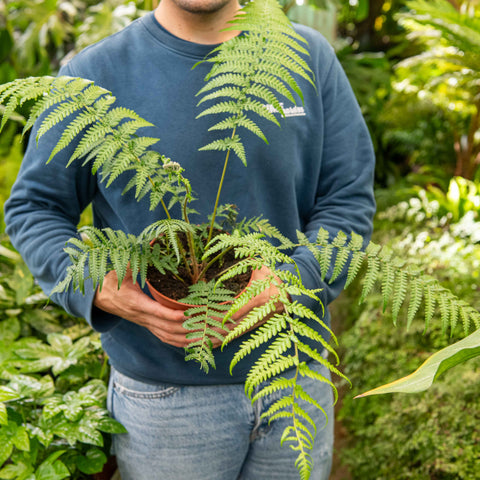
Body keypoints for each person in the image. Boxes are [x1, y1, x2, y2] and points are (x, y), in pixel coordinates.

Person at [4, 0, 376, 478]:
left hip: (294, 377)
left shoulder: (304, 55)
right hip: (164, 399)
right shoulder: (94, 73)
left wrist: (294, 280)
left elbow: (346, 198)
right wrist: (97, 286)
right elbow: (34, 208)